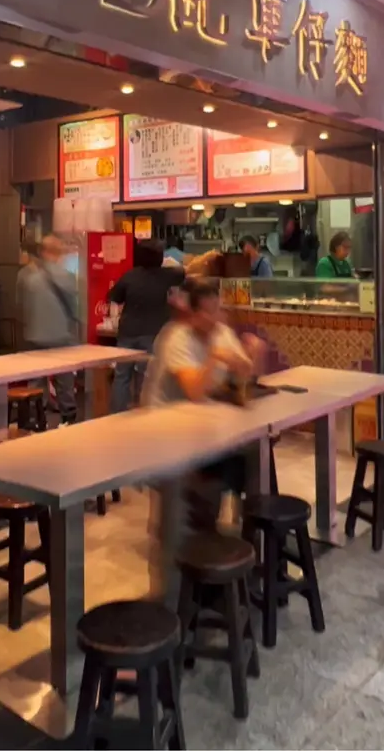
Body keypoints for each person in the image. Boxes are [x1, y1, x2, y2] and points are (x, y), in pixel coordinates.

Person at [143, 279, 262, 603]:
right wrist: (215, 357)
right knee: (182, 491)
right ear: (191, 314)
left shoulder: (221, 333)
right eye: (206, 312)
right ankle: (171, 592)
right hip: (164, 433)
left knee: (254, 456)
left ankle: (250, 560)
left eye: (217, 310)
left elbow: (243, 379)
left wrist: (250, 358)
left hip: (202, 429)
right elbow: (195, 391)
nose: (214, 318)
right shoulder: (176, 337)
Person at [108, 239, 185, 414]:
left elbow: (114, 297)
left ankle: (116, 415)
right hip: (153, 333)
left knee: (121, 376)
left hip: (127, 332)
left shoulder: (129, 276)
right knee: (147, 376)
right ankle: (144, 415)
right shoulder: (167, 275)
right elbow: (184, 273)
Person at [16, 234, 79, 424]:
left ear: (43, 252)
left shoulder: (28, 277)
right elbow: (75, 309)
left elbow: (21, 306)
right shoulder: (67, 277)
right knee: (64, 381)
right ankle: (68, 418)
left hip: (35, 336)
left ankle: (37, 417)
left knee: (36, 380)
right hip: (61, 337)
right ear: (58, 253)